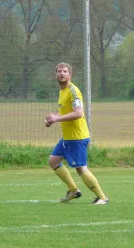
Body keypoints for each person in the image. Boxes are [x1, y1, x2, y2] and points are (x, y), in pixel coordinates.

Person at [45, 62, 108, 205]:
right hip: (67, 137)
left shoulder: (73, 90)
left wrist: (56, 118)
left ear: (70, 75)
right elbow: (65, 112)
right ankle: (73, 190)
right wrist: (52, 120)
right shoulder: (62, 92)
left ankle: (102, 197)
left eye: (65, 71)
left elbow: (78, 113)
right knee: (53, 161)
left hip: (77, 137)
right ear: (56, 75)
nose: (62, 73)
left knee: (81, 169)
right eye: (59, 71)